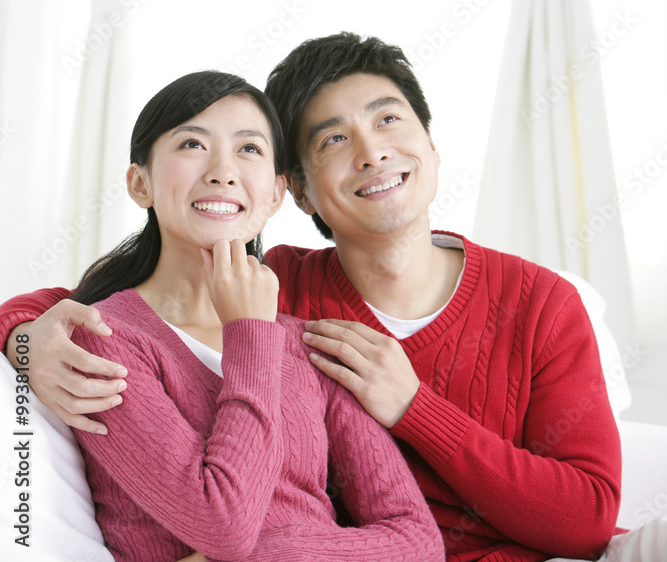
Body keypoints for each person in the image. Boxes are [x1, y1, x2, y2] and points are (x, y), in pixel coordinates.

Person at [2, 36, 665, 561]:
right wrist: (22, 336)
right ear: (295, 191)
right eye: (335, 139)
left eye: (388, 121)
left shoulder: (539, 303)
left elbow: (578, 523)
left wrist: (414, 409)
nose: (373, 152)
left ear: (430, 145)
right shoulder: (278, 295)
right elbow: (127, 309)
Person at [2, 69, 443, 562]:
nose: (222, 171)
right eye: (192, 144)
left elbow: (418, 541)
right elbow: (222, 528)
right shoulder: (102, 341)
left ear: (276, 193)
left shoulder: (313, 346)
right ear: (139, 182)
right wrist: (251, 332)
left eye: (249, 149)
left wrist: (276, 554)